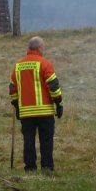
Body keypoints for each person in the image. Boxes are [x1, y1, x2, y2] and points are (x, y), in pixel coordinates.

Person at [9, 36, 63, 172]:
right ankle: (47, 167)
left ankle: (30, 167)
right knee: (46, 141)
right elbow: (53, 86)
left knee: (28, 141)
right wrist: (59, 103)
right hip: (44, 111)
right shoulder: (45, 64)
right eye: (43, 46)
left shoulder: (18, 66)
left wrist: (17, 106)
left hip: (26, 112)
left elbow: (12, 89)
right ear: (39, 48)